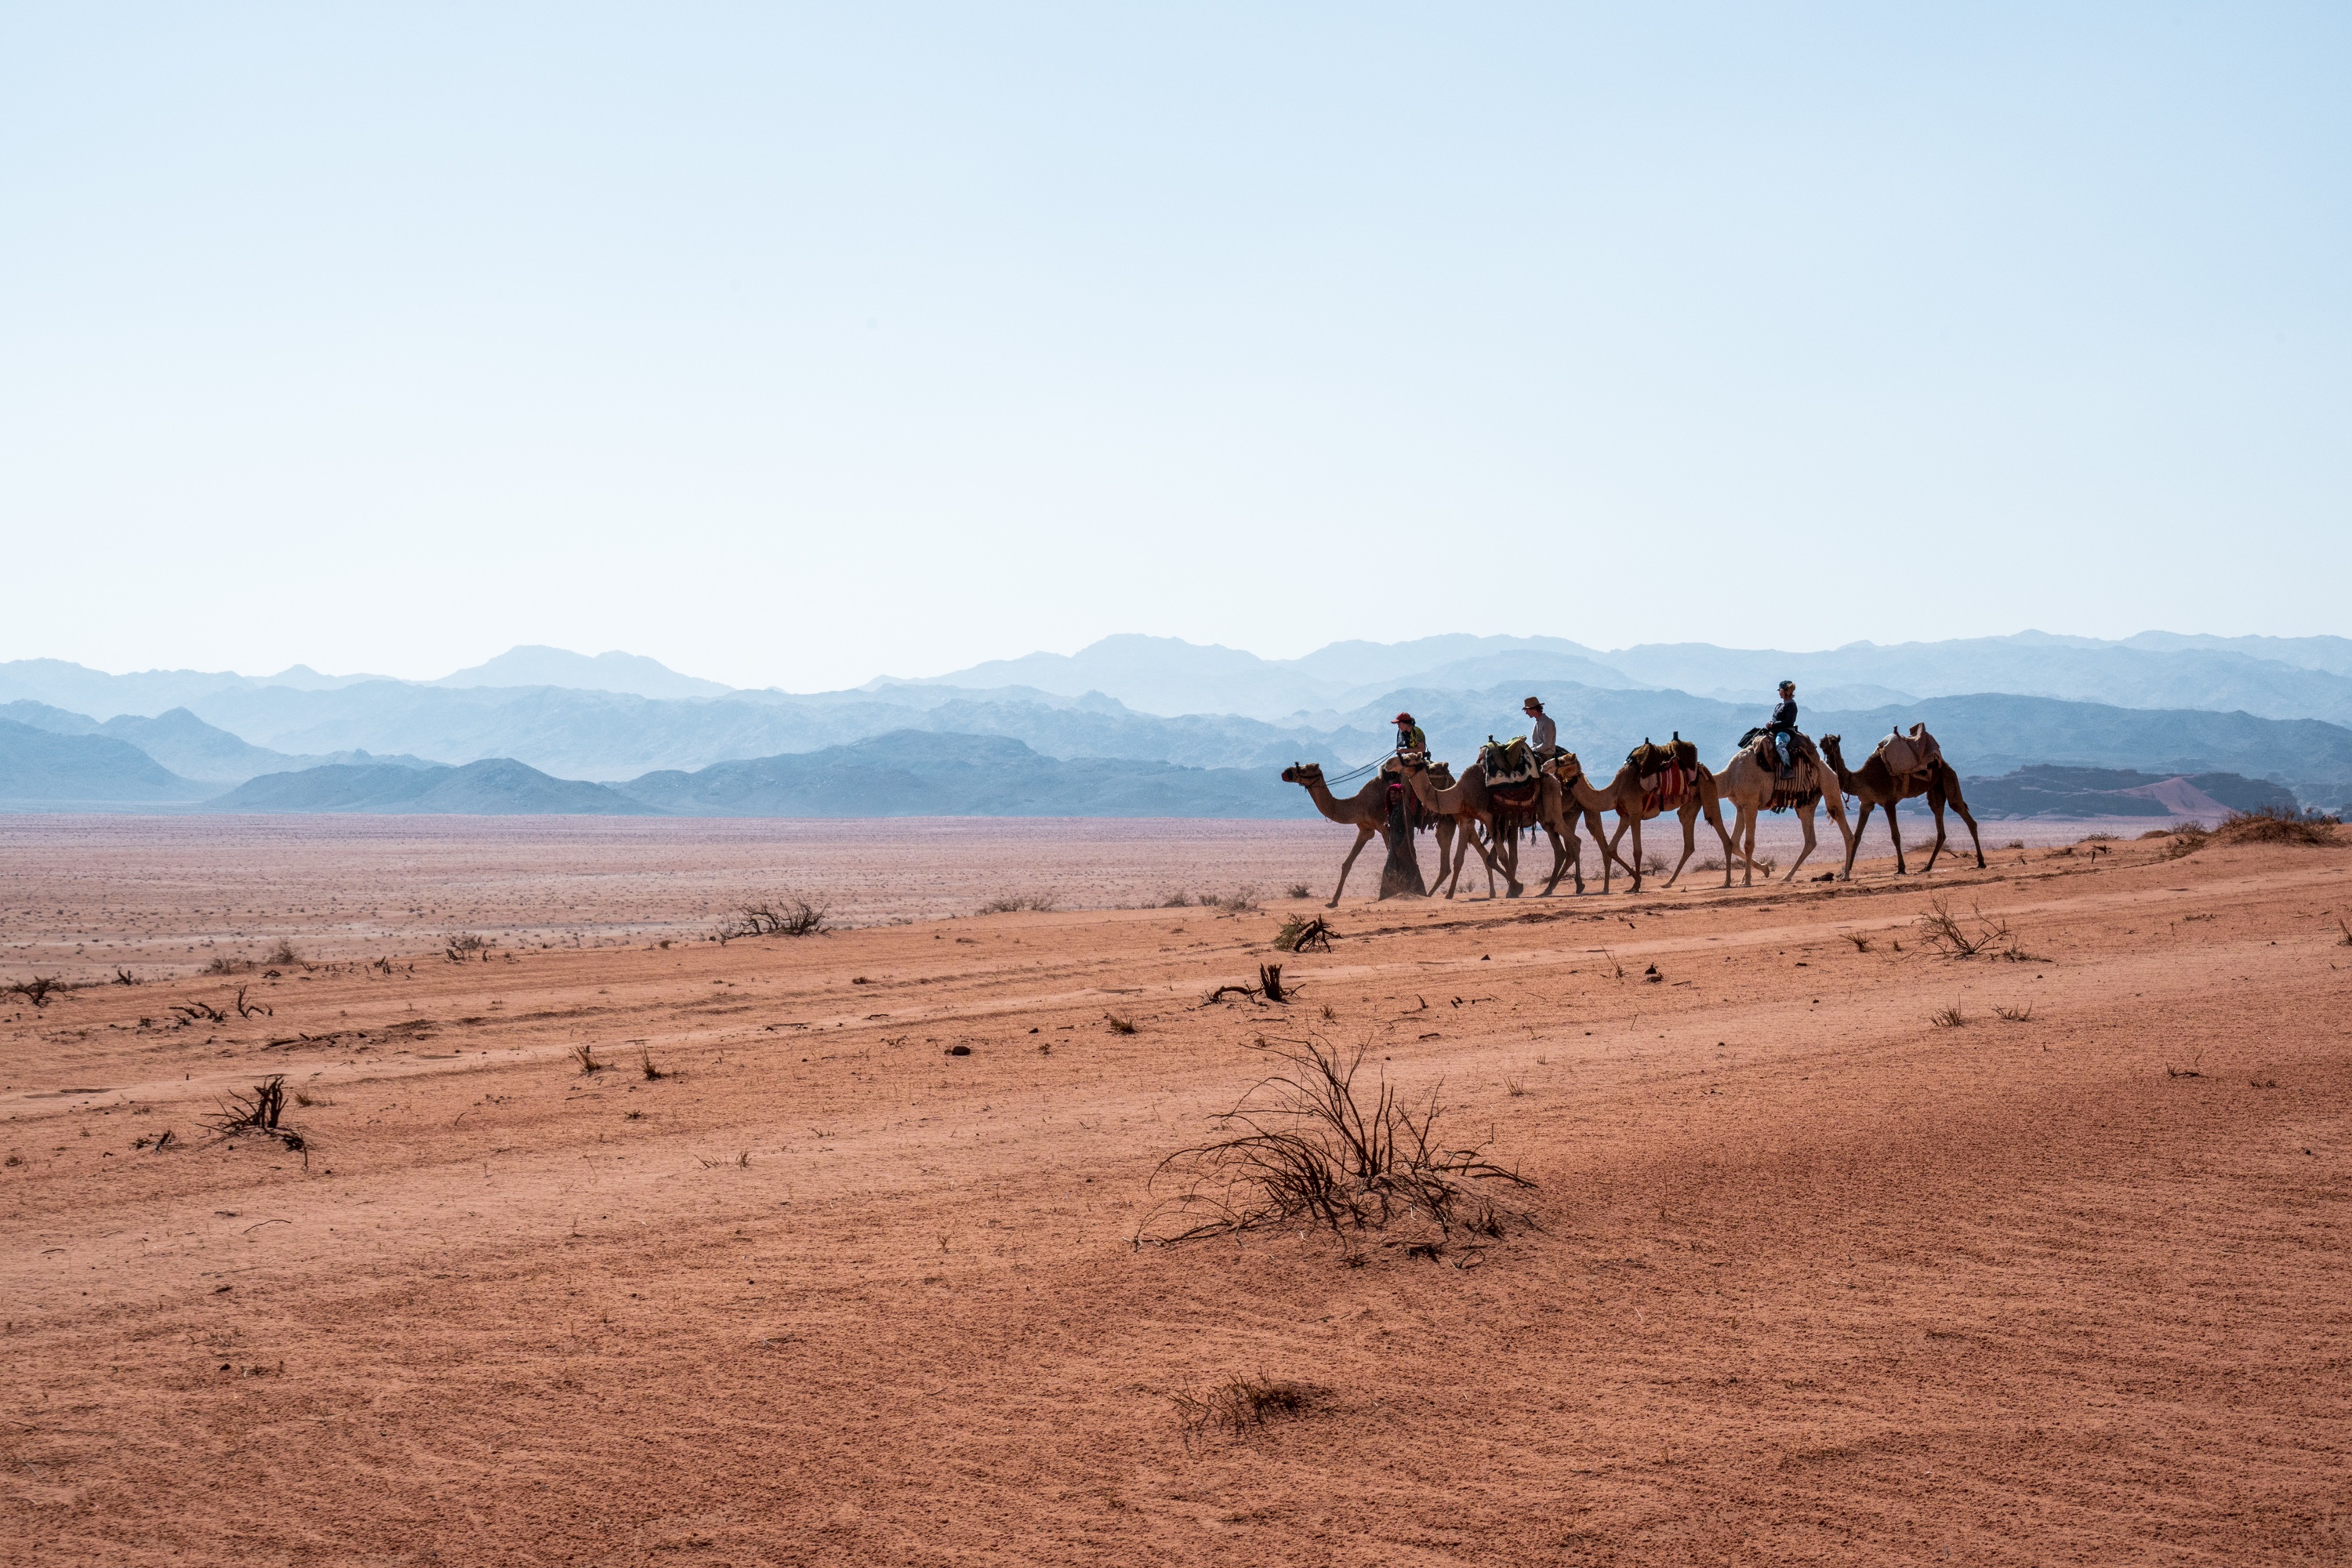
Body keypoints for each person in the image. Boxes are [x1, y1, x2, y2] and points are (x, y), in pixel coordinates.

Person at [1767, 681, 1798, 777]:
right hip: (1775, 730)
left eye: (1780, 691)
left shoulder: (1791, 705)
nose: (1779, 693)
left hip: (1786, 732)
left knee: (1779, 744)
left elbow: (1789, 722)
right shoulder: (1781, 705)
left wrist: (1774, 725)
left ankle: (1788, 768)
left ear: (1784, 691)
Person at [1522, 695, 1557, 760]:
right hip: (1538, 752)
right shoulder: (1538, 722)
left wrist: (1533, 750)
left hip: (1546, 754)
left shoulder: (1547, 722)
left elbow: (1547, 744)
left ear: (1534, 709)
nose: (1526, 713)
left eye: (1527, 710)